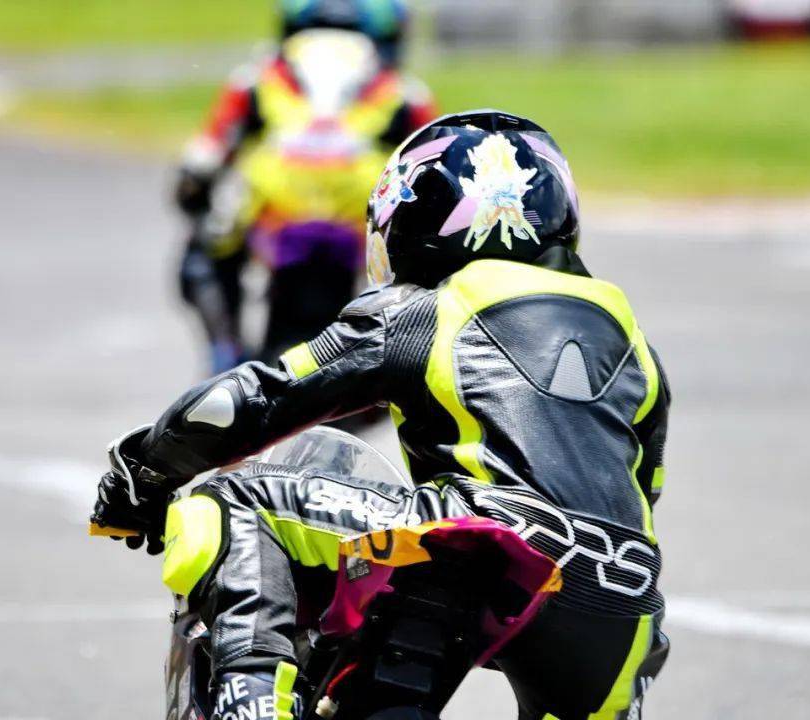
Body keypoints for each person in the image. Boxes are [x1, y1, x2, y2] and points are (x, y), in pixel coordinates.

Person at [94, 110, 671, 720]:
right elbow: (641, 490)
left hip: (481, 537)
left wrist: (141, 473)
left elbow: (237, 406)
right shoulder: (636, 346)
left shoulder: (427, 309)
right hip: (624, 596)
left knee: (233, 501)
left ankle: (252, 702)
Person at [175, 0, 437, 373]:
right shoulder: (403, 90)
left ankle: (225, 354)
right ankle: (406, 365)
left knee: (203, 248)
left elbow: (202, 162)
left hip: (275, 213)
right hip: (362, 222)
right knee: (432, 254)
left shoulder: (257, 77)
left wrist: (193, 198)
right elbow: (434, 162)